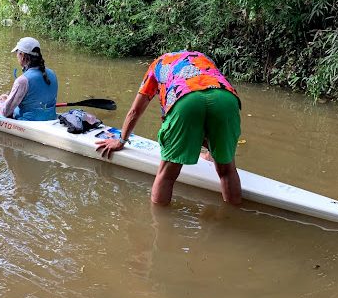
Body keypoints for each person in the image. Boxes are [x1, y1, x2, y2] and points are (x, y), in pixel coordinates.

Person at [95, 50, 242, 205]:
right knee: (227, 171)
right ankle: (234, 218)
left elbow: (134, 112)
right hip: (226, 98)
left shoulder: (157, 65)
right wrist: (213, 152)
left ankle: (159, 225)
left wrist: (121, 140)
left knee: (167, 175)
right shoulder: (201, 57)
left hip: (186, 99)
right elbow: (208, 104)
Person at [0, 36, 58, 121]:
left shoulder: (22, 81)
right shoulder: (52, 73)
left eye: (17, 52)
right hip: (51, 118)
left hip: (29, 122)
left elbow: (5, 112)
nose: (16, 56)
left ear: (22, 55)